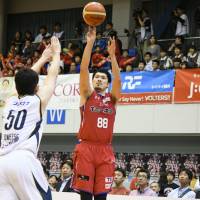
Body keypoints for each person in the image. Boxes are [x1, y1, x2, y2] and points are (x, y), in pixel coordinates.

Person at [0, 36, 61, 200]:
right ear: (36, 87)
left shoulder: (10, 101)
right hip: (23, 160)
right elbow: (52, 76)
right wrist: (56, 54)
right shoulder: (38, 101)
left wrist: (42, 58)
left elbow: (24, 78)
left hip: (2, 163)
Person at [72, 26, 121, 200]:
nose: (99, 79)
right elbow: (84, 68)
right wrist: (90, 43)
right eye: (97, 77)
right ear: (93, 82)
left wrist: (113, 57)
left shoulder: (112, 98)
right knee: (85, 196)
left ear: (107, 83)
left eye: (103, 78)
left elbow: (118, 79)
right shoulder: (87, 94)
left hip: (105, 150)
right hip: (86, 148)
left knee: (101, 197)